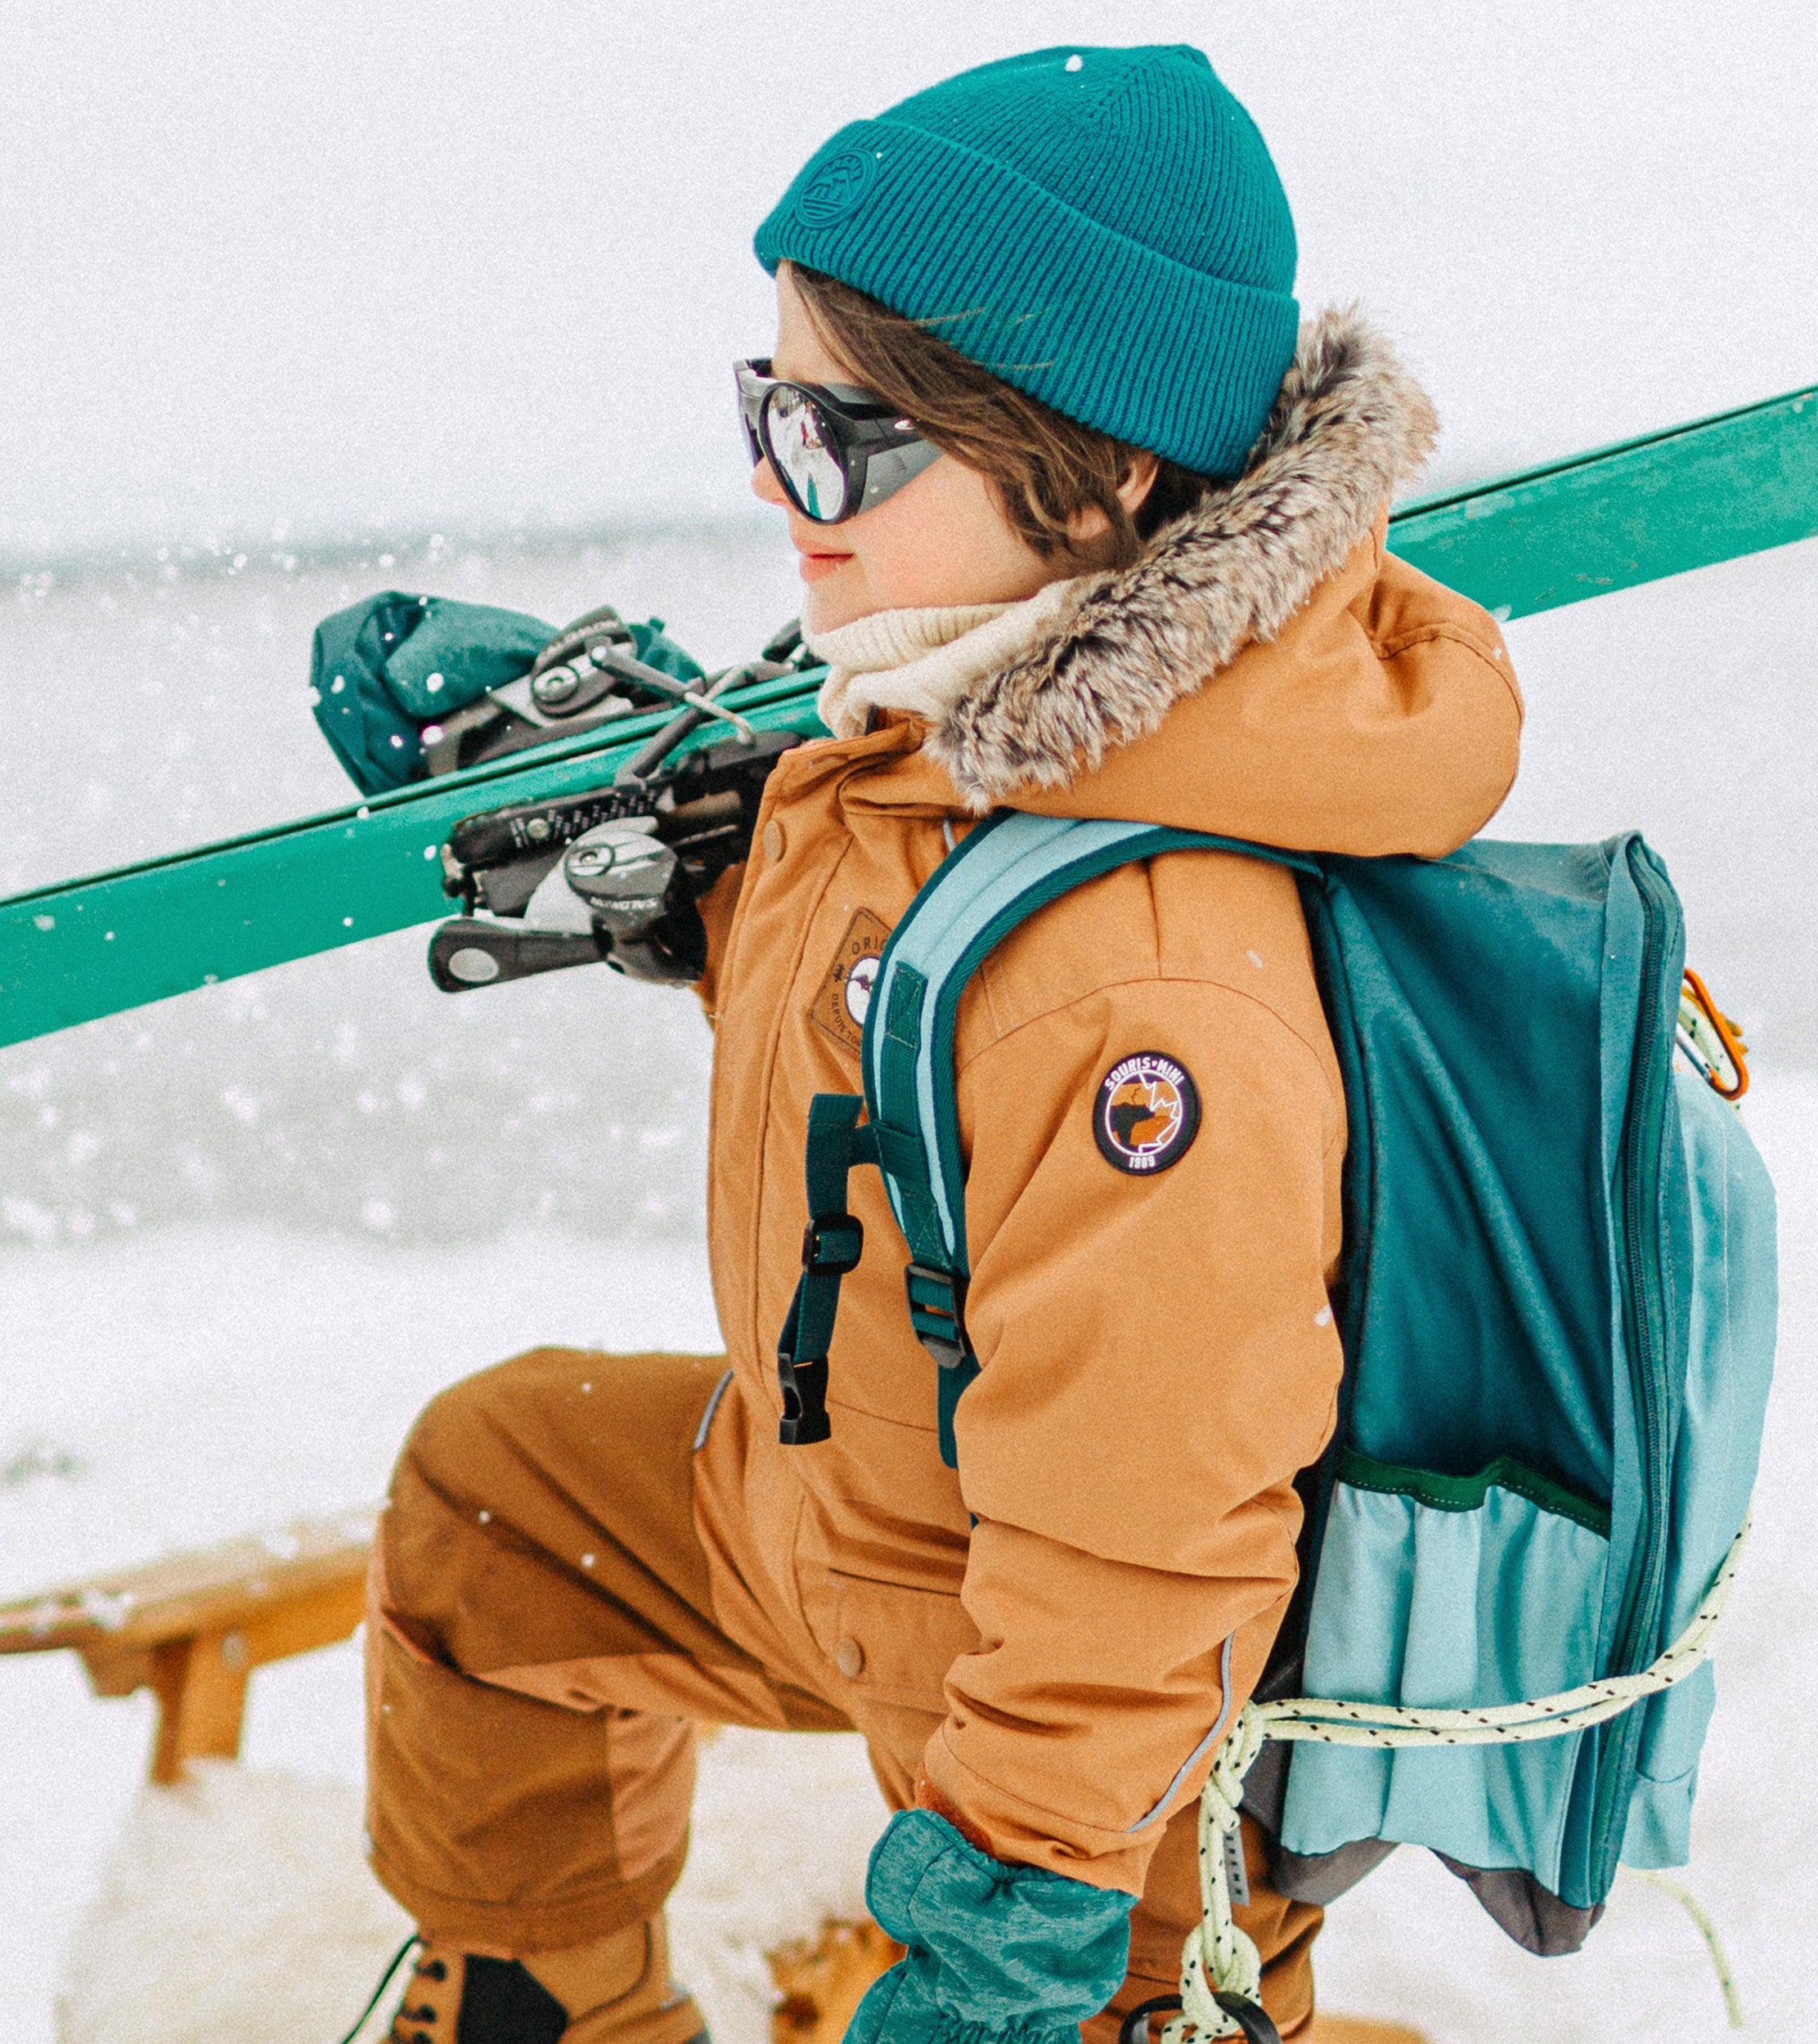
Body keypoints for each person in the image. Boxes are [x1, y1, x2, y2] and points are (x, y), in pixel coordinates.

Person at [364, 43, 1523, 2044]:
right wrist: (601, 795)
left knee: (1131, 1983)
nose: (769, 481)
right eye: (765, 409)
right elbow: (891, 1008)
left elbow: (1149, 1542)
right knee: (498, 1502)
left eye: (845, 438)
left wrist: (1004, 1933)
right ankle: (542, 2008)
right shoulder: (965, 723)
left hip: (1108, 1756)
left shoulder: (1140, 969)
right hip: (851, 1520)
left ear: (1097, 471)